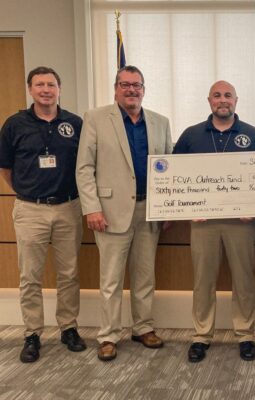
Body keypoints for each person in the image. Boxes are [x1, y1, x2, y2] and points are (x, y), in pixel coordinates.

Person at [76, 65, 173, 361]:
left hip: (149, 210)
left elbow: (169, 167)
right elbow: (85, 167)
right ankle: (108, 335)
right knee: (111, 279)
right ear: (116, 88)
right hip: (109, 212)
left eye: (137, 85)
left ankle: (143, 327)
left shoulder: (160, 122)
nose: (132, 90)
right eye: (125, 85)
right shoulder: (95, 118)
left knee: (145, 275)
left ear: (144, 89)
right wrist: (91, 207)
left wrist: (167, 207)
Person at [173, 80, 255, 363]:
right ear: (209, 101)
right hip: (203, 221)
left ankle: (246, 334)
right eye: (217, 95)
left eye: (228, 95)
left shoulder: (254, 136)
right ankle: (201, 335)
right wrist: (186, 208)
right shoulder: (191, 136)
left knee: (244, 278)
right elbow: (175, 178)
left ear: (236, 100)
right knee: (203, 279)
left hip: (241, 222)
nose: (222, 100)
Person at [0, 66, 86, 363]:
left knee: (69, 274)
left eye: (51, 84)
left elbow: (85, 167)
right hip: (30, 209)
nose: (46, 89)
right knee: (30, 276)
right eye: (40, 85)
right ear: (30, 89)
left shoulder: (75, 123)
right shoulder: (14, 124)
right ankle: (32, 333)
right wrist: (29, 192)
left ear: (59, 89)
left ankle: (69, 328)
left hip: (68, 207)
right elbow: (6, 169)